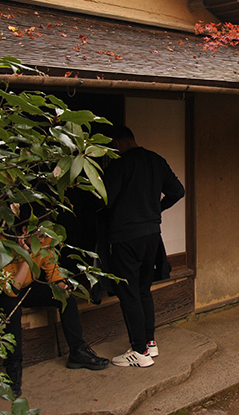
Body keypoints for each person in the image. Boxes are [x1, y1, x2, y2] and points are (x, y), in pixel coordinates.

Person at [103, 125, 185, 368]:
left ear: (116, 144)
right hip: (151, 235)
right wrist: (156, 209)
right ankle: (149, 342)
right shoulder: (155, 160)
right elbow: (177, 191)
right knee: (143, 290)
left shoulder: (120, 164)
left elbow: (104, 198)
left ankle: (138, 351)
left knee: (128, 293)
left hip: (126, 237)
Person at [0, 233, 109, 397]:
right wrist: (28, 256)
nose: (41, 240)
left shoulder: (46, 241)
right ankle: (13, 367)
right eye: (37, 236)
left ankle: (78, 351)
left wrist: (61, 284)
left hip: (26, 286)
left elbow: (52, 271)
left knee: (65, 297)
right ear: (23, 232)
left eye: (43, 236)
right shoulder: (1, 245)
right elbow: (11, 290)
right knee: (12, 309)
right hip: (4, 291)